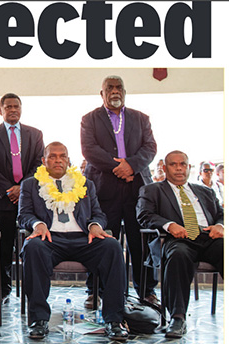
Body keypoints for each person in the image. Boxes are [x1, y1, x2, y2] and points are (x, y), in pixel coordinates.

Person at [18, 142, 128, 341]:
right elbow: (24, 214)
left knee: (112, 246)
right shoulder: (30, 185)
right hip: (49, 238)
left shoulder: (85, 184)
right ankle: (39, 320)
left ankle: (114, 320)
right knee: (32, 246)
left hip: (82, 238)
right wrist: (37, 224)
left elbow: (98, 214)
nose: (58, 160)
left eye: (62, 156)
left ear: (68, 160)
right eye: (52, 156)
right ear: (44, 161)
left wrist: (95, 224)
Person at [80, 75, 158, 307]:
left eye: (119, 88)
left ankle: (146, 291)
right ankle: (96, 289)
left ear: (124, 92)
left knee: (140, 242)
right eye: (110, 88)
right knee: (101, 238)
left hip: (137, 188)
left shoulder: (140, 118)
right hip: (104, 188)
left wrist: (131, 165)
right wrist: (118, 167)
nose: (115, 91)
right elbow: (89, 149)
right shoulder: (90, 119)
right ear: (101, 93)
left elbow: (150, 147)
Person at [136, 150, 223, 339]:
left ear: (189, 167)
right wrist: (169, 225)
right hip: (177, 238)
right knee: (178, 255)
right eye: (173, 165)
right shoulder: (152, 190)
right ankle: (177, 317)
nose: (178, 168)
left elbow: (221, 213)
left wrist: (220, 225)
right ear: (165, 168)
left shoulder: (206, 192)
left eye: (182, 164)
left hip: (209, 237)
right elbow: (144, 215)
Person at [0, 93, 43, 306]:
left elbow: (38, 164)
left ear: (21, 108)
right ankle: (1, 291)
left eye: (16, 106)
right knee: (2, 248)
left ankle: (32, 292)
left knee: (31, 246)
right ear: (1, 110)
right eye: (8, 107)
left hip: (29, 200)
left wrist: (22, 189)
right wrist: (9, 190)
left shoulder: (35, 134)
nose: (13, 110)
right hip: (1, 200)